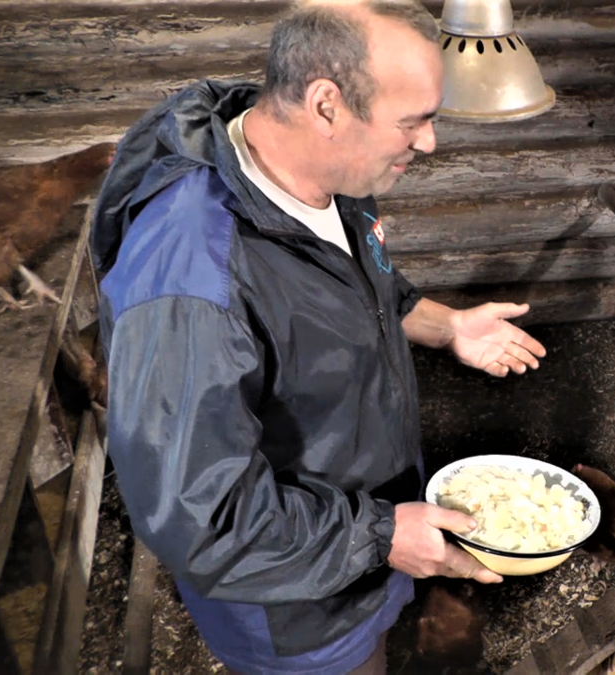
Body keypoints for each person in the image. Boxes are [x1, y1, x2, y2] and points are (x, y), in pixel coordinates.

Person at [89, 1, 546, 672]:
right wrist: (384, 533)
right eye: (414, 120)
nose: (430, 143)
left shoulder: (329, 172)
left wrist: (443, 323)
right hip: (298, 611)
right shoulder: (192, 279)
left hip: (364, 550)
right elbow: (204, 521)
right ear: (327, 104)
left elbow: (360, 286)